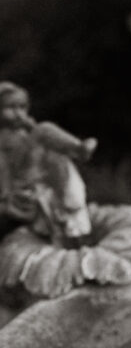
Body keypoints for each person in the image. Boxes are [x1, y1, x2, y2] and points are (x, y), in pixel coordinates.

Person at [0, 82, 97, 244]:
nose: (18, 114)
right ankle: (79, 150)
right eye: (11, 108)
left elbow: (43, 141)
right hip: (19, 178)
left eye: (22, 107)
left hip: (34, 170)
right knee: (44, 130)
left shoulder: (23, 130)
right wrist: (6, 196)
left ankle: (79, 150)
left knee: (49, 141)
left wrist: (30, 126)